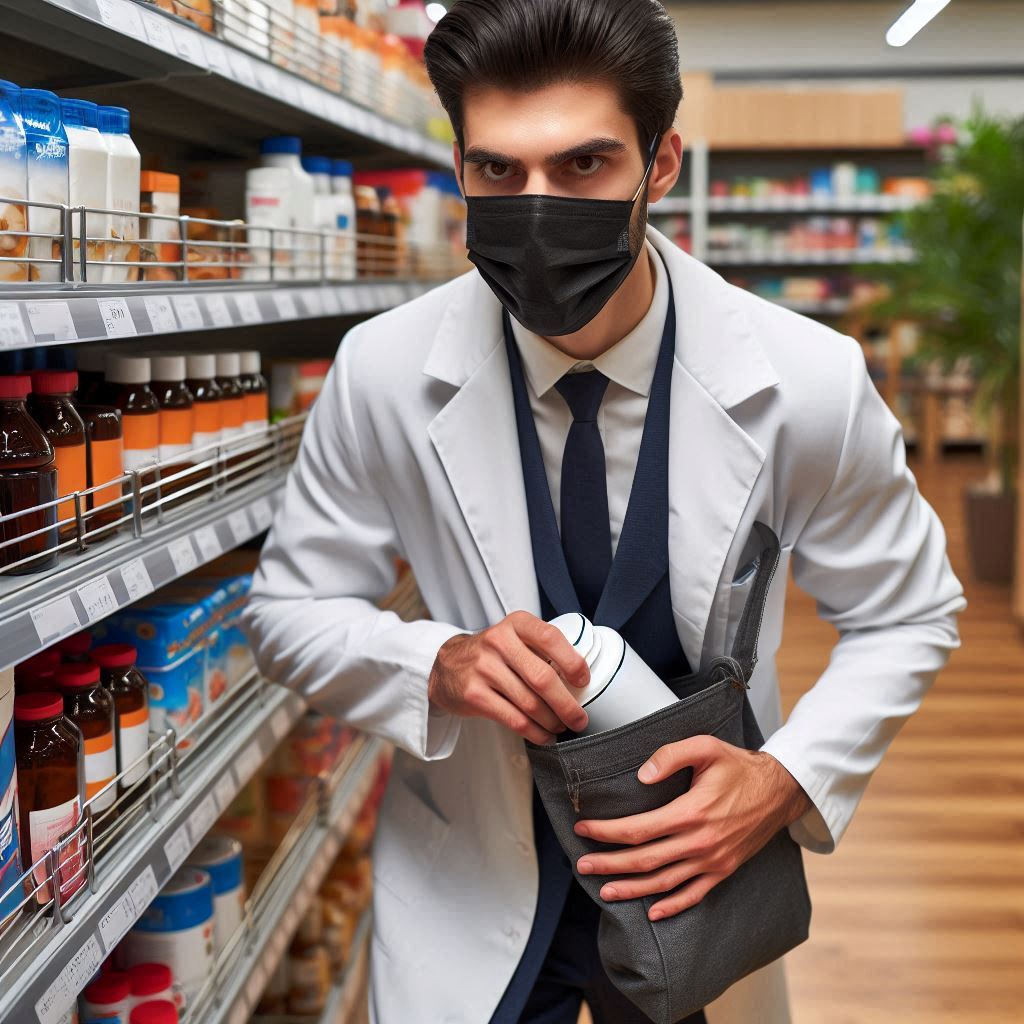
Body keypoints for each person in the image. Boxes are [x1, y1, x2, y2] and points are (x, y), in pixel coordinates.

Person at [242, 1, 967, 1021]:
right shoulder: (385, 372)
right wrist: (434, 665)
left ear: (660, 164)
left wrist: (786, 779)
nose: (536, 207)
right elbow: (289, 612)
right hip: (477, 870)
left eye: (583, 166)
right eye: (498, 171)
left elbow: (907, 611)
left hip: (702, 865)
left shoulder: (804, 379)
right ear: (458, 167)